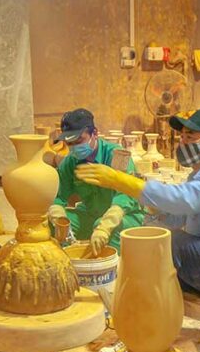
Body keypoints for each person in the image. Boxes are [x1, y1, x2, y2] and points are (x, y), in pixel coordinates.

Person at [75, 108, 200, 299]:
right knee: (155, 240)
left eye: (190, 137)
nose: (182, 142)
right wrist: (149, 214)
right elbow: (177, 217)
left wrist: (122, 181)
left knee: (171, 241)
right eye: (182, 136)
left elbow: (182, 200)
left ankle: (143, 304)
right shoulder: (198, 175)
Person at [49, 108, 145, 253]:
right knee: (54, 225)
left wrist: (105, 226)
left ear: (95, 133)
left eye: (79, 140)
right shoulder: (70, 162)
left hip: (124, 215)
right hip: (92, 213)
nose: (74, 148)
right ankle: (69, 266)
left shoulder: (117, 155)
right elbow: (59, 197)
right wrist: (59, 220)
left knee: (106, 229)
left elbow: (125, 197)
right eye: (69, 144)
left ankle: (113, 270)